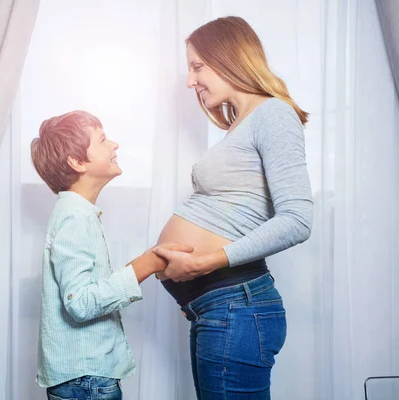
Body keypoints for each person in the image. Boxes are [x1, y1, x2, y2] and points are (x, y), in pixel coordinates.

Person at [152, 16, 313, 399]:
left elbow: (297, 220)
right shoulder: (242, 124)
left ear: (227, 57)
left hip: (236, 308)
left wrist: (204, 263)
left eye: (197, 67)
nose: (191, 81)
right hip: (219, 309)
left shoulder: (273, 114)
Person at [31, 110, 192, 400]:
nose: (115, 144)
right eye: (103, 139)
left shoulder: (77, 213)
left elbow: (90, 286)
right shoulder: (75, 218)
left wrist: (149, 259)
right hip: (87, 380)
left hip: (84, 378)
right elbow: (80, 303)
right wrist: (146, 265)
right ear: (77, 162)